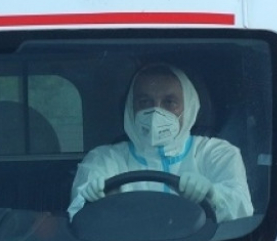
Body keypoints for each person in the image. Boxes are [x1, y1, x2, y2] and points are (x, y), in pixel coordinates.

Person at [68, 64, 253, 221]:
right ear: (130, 108)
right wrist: (93, 201)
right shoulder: (103, 158)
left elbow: (243, 209)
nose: (156, 111)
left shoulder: (217, 153)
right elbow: (77, 213)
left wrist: (214, 195)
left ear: (188, 106)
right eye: (144, 101)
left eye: (169, 102)